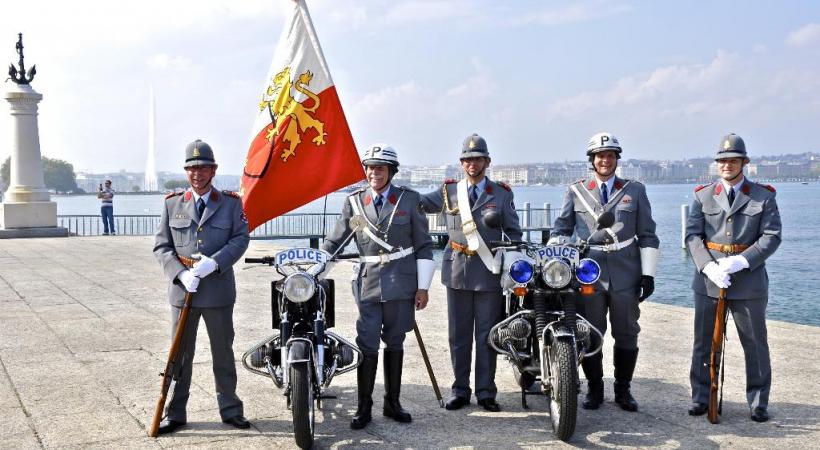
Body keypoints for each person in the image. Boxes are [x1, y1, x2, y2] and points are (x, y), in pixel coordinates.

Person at [322, 144, 435, 430]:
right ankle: (364, 406)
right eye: (371, 168)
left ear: (391, 172)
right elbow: (335, 241)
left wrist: (423, 287)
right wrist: (316, 265)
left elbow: (423, 245)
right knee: (367, 342)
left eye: (381, 168)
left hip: (401, 282)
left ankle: (392, 403)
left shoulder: (409, 200)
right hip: (368, 283)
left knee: (395, 341)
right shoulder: (354, 202)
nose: (375, 173)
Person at [550, 132, 659, 412]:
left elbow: (648, 234)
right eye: (600, 156)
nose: (605, 160)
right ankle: (595, 388)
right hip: (589, 272)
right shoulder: (576, 191)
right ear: (592, 160)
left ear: (616, 159)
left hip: (626, 271)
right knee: (589, 332)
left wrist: (648, 274)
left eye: (610, 155)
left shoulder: (635, 191)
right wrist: (556, 253)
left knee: (627, 331)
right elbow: (561, 229)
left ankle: (623, 389)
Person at [152, 139, 251, 434]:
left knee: (223, 354)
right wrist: (180, 274)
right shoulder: (172, 204)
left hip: (217, 291)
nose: (197, 174)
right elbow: (162, 246)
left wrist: (215, 263)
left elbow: (241, 238)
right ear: (186, 171)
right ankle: (175, 412)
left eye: (203, 168)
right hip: (183, 293)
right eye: (192, 168)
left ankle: (230, 410)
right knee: (180, 356)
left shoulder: (231, 203)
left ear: (214, 170)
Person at [420, 133, 522, 412]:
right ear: (461, 163)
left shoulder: (501, 194)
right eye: (467, 160)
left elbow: (514, 233)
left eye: (477, 159)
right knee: (459, 336)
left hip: (489, 273)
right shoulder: (449, 191)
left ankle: (486, 392)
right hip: (457, 271)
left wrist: (509, 262)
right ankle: (460, 390)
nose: (472, 164)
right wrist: (393, 190)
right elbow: (418, 204)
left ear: (487, 162)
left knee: (487, 336)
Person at [685, 133, 781, 422]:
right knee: (703, 342)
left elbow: (772, 236)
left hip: (748, 281)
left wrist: (741, 261)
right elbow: (693, 236)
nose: (727, 165)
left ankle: (758, 401)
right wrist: (707, 266)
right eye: (722, 160)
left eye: (733, 160)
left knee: (755, 344)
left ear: (743, 163)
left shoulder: (763, 196)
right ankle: (701, 397)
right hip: (709, 280)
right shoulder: (702, 195)